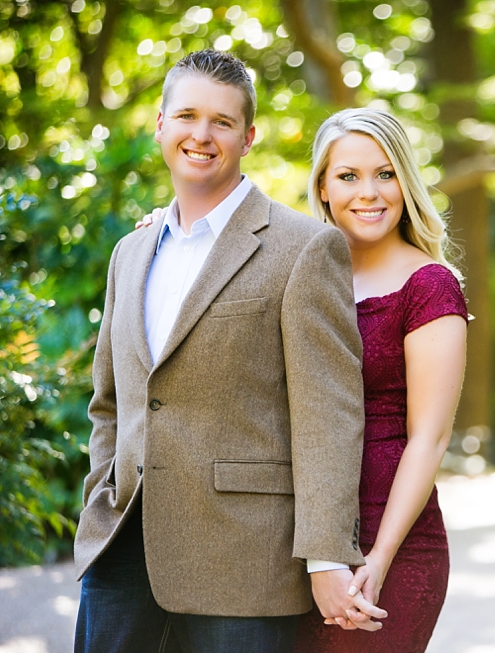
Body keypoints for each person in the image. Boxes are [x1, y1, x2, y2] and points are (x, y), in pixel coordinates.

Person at [73, 49, 385, 653]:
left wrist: (325, 555)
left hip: (244, 562)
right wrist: (99, 496)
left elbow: (328, 414)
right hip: (120, 550)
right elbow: (109, 402)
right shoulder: (129, 254)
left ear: (248, 137)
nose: (201, 134)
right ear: (160, 125)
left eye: (222, 121)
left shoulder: (304, 247)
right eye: (186, 115)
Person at [294, 108, 468, 652]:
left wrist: (377, 559)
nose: (368, 192)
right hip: (300, 540)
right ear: (323, 187)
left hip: (392, 542)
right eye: (348, 176)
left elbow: (429, 438)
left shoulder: (429, 286)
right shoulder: (297, 272)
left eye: (385, 173)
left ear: (406, 183)